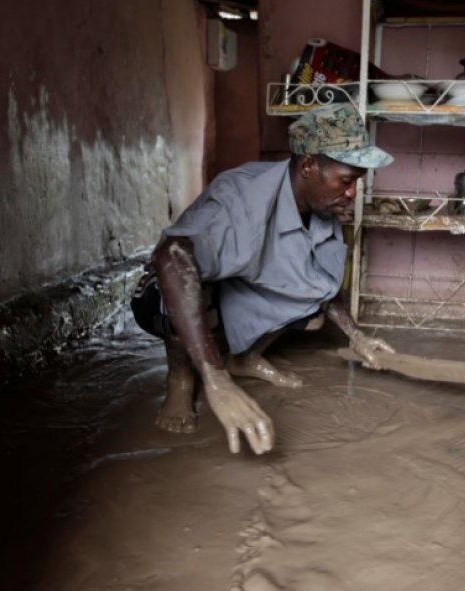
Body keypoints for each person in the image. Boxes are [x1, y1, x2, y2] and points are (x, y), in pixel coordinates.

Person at [131, 103, 396, 456]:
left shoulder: (322, 211)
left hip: (237, 283)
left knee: (309, 299)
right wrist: (216, 380)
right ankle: (180, 379)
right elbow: (172, 259)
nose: (352, 194)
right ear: (308, 166)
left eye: (356, 183)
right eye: (346, 181)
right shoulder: (242, 198)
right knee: (184, 286)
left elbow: (323, 286)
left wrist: (356, 335)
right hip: (160, 290)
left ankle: (245, 358)